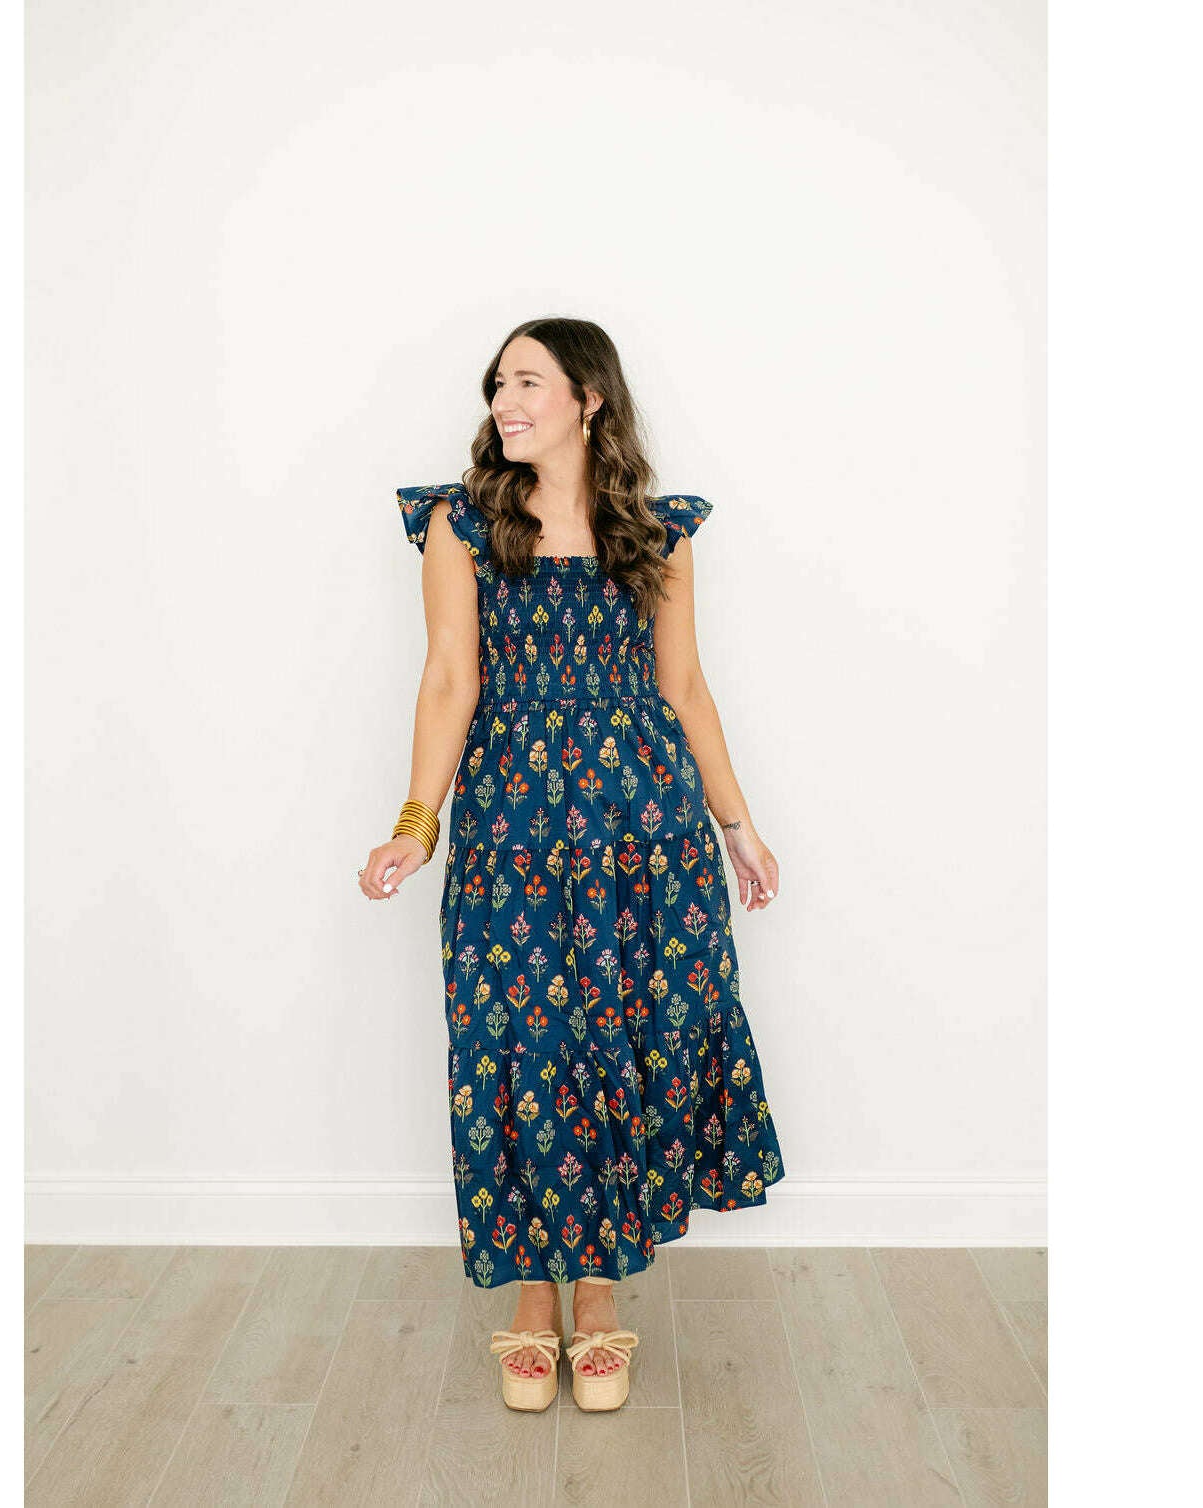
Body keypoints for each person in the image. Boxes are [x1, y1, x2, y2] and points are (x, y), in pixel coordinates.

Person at [359, 316, 787, 1413]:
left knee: (622, 1040)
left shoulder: (657, 531)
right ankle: (530, 1297)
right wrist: (416, 822)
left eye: (527, 381)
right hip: (510, 828)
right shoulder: (460, 524)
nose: (505, 402)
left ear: (589, 399)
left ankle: (597, 1298)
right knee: (516, 1047)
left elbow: (682, 689)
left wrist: (736, 824)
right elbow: (449, 678)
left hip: (643, 827)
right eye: (497, 384)